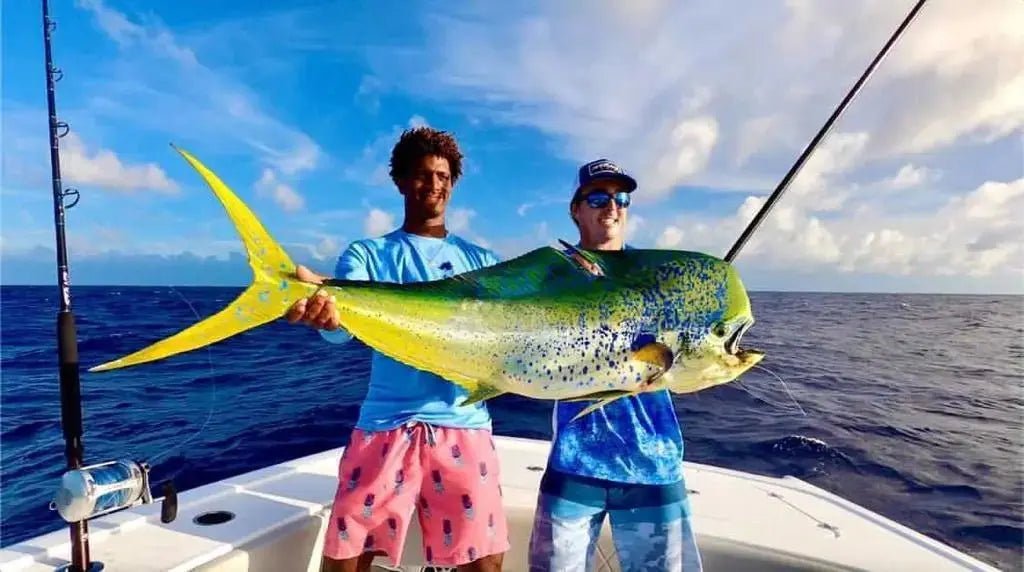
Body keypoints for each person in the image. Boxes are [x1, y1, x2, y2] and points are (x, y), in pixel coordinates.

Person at [286, 127, 509, 572]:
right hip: (386, 424)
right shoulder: (367, 255)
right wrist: (325, 316)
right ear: (402, 181)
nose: (434, 185)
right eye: (423, 175)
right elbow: (341, 330)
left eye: (443, 176)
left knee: (485, 561)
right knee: (347, 556)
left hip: (463, 423)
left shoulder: (484, 263)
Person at [527, 159, 703, 571]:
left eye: (621, 198)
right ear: (575, 209)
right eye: (598, 197)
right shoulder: (553, 279)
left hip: (653, 464)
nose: (612, 206)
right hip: (575, 460)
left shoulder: (654, 276)